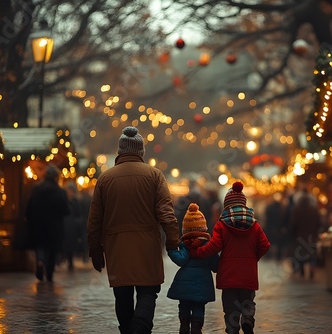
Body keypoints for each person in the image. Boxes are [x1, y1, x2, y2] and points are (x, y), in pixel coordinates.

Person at [87, 126, 180, 334]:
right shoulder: (155, 176)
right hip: (147, 246)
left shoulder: (104, 179)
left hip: (117, 247)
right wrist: (174, 242)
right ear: (141, 152)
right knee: (148, 292)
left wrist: (95, 250)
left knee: (122, 294)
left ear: (120, 151)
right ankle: (140, 328)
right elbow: (166, 213)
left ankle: (128, 330)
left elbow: (94, 221)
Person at [191, 181, 270, 334]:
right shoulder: (255, 225)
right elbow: (265, 245)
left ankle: (232, 328)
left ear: (226, 205)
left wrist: (197, 252)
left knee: (230, 306)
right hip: (248, 275)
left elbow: (214, 247)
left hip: (228, 275)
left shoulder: (222, 225)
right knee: (248, 301)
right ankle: (247, 318)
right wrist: (253, 258)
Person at [167, 203, 219, 334]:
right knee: (199, 306)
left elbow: (180, 259)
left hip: (184, 283)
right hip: (203, 284)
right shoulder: (208, 247)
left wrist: (171, 250)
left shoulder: (185, 245)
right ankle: (196, 325)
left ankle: (184, 321)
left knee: (184, 304)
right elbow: (215, 266)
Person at [26, 164, 70, 282]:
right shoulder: (60, 192)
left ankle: (40, 262)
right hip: (54, 226)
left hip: (37, 225)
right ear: (56, 177)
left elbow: (29, 208)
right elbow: (66, 210)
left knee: (40, 247)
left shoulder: (36, 189)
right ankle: (49, 274)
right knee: (51, 250)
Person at [288, 187, 322, 279]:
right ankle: (312, 269)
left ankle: (302, 270)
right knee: (312, 255)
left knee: (300, 254)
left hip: (299, 236)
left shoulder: (296, 209)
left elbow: (293, 223)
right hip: (312, 236)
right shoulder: (314, 210)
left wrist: (291, 233)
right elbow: (319, 223)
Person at [63, 181, 82, 271]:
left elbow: (78, 214)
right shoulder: (64, 201)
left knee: (71, 244)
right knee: (66, 244)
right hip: (65, 225)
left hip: (73, 226)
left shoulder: (76, 202)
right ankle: (67, 259)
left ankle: (70, 261)